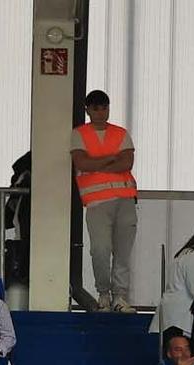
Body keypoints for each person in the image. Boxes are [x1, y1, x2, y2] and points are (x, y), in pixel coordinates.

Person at [72, 91, 138, 313]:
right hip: (97, 203)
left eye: (104, 108)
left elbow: (126, 163)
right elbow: (82, 162)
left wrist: (96, 163)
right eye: (96, 108)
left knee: (122, 252)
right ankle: (103, 293)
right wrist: (112, 158)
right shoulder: (79, 134)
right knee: (100, 249)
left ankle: (120, 297)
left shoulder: (120, 133)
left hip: (126, 199)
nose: (101, 113)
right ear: (87, 110)